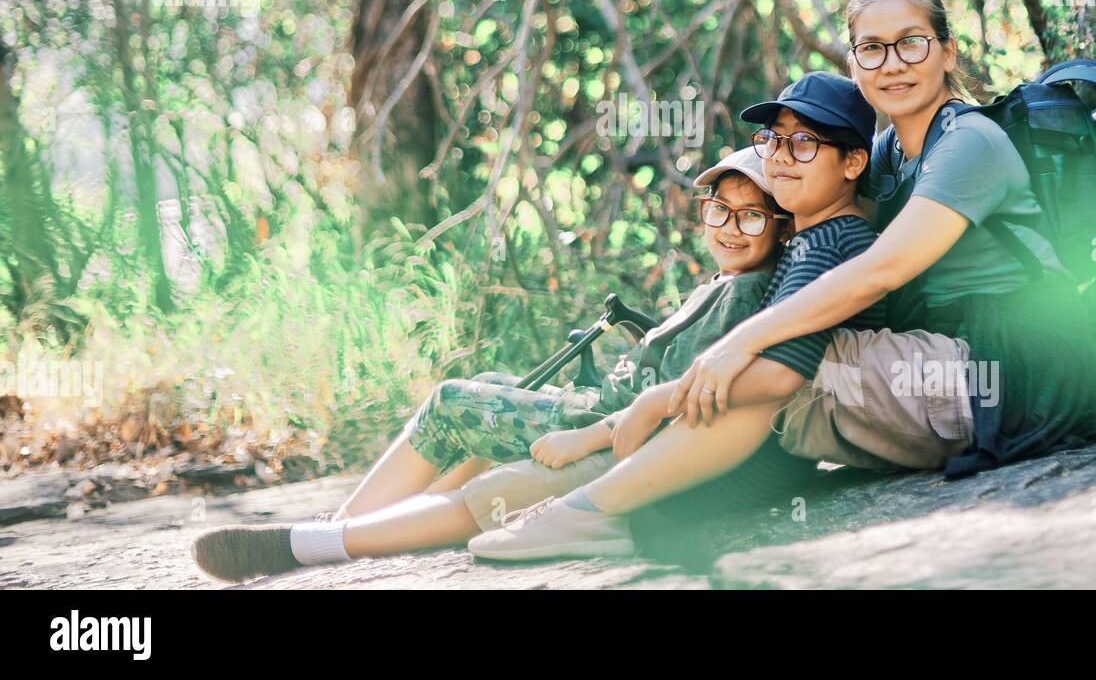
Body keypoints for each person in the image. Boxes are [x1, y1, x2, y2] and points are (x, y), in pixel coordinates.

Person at [468, 0, 1096, 562]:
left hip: (1018, 373)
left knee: (785, 372)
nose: (893, 64)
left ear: (947, 51)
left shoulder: (969, 143)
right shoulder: (887, 153)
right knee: (776, 361)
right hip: (944, 357)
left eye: (911, 43)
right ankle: (619, 503)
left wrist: (723, 351)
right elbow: (800, 184)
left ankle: (597, 511)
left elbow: (878, 271)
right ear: (854, 65)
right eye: (872, 49)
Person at [188, 147, 791, 582]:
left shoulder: (743, 294)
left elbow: (670, 398)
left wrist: (589, 436)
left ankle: (344, 527)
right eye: (720, 210)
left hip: (604, 419)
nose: (731, 228)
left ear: (780, 226)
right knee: (494, 387)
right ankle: (375, 525)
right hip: (602, 408)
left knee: (454, 401)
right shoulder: (729, 281)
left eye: (752, 216)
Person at [467, 72, 891, 561]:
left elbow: (779, 376)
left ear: (854, 161)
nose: (779, 155)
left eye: (802, 142)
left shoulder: (829, 243)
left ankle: (586, 512)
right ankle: (581, 511)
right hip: (744, 453)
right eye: (773, 139)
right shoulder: (816, 239)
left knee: (500, 488)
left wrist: (653, 402)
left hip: (756, 461)